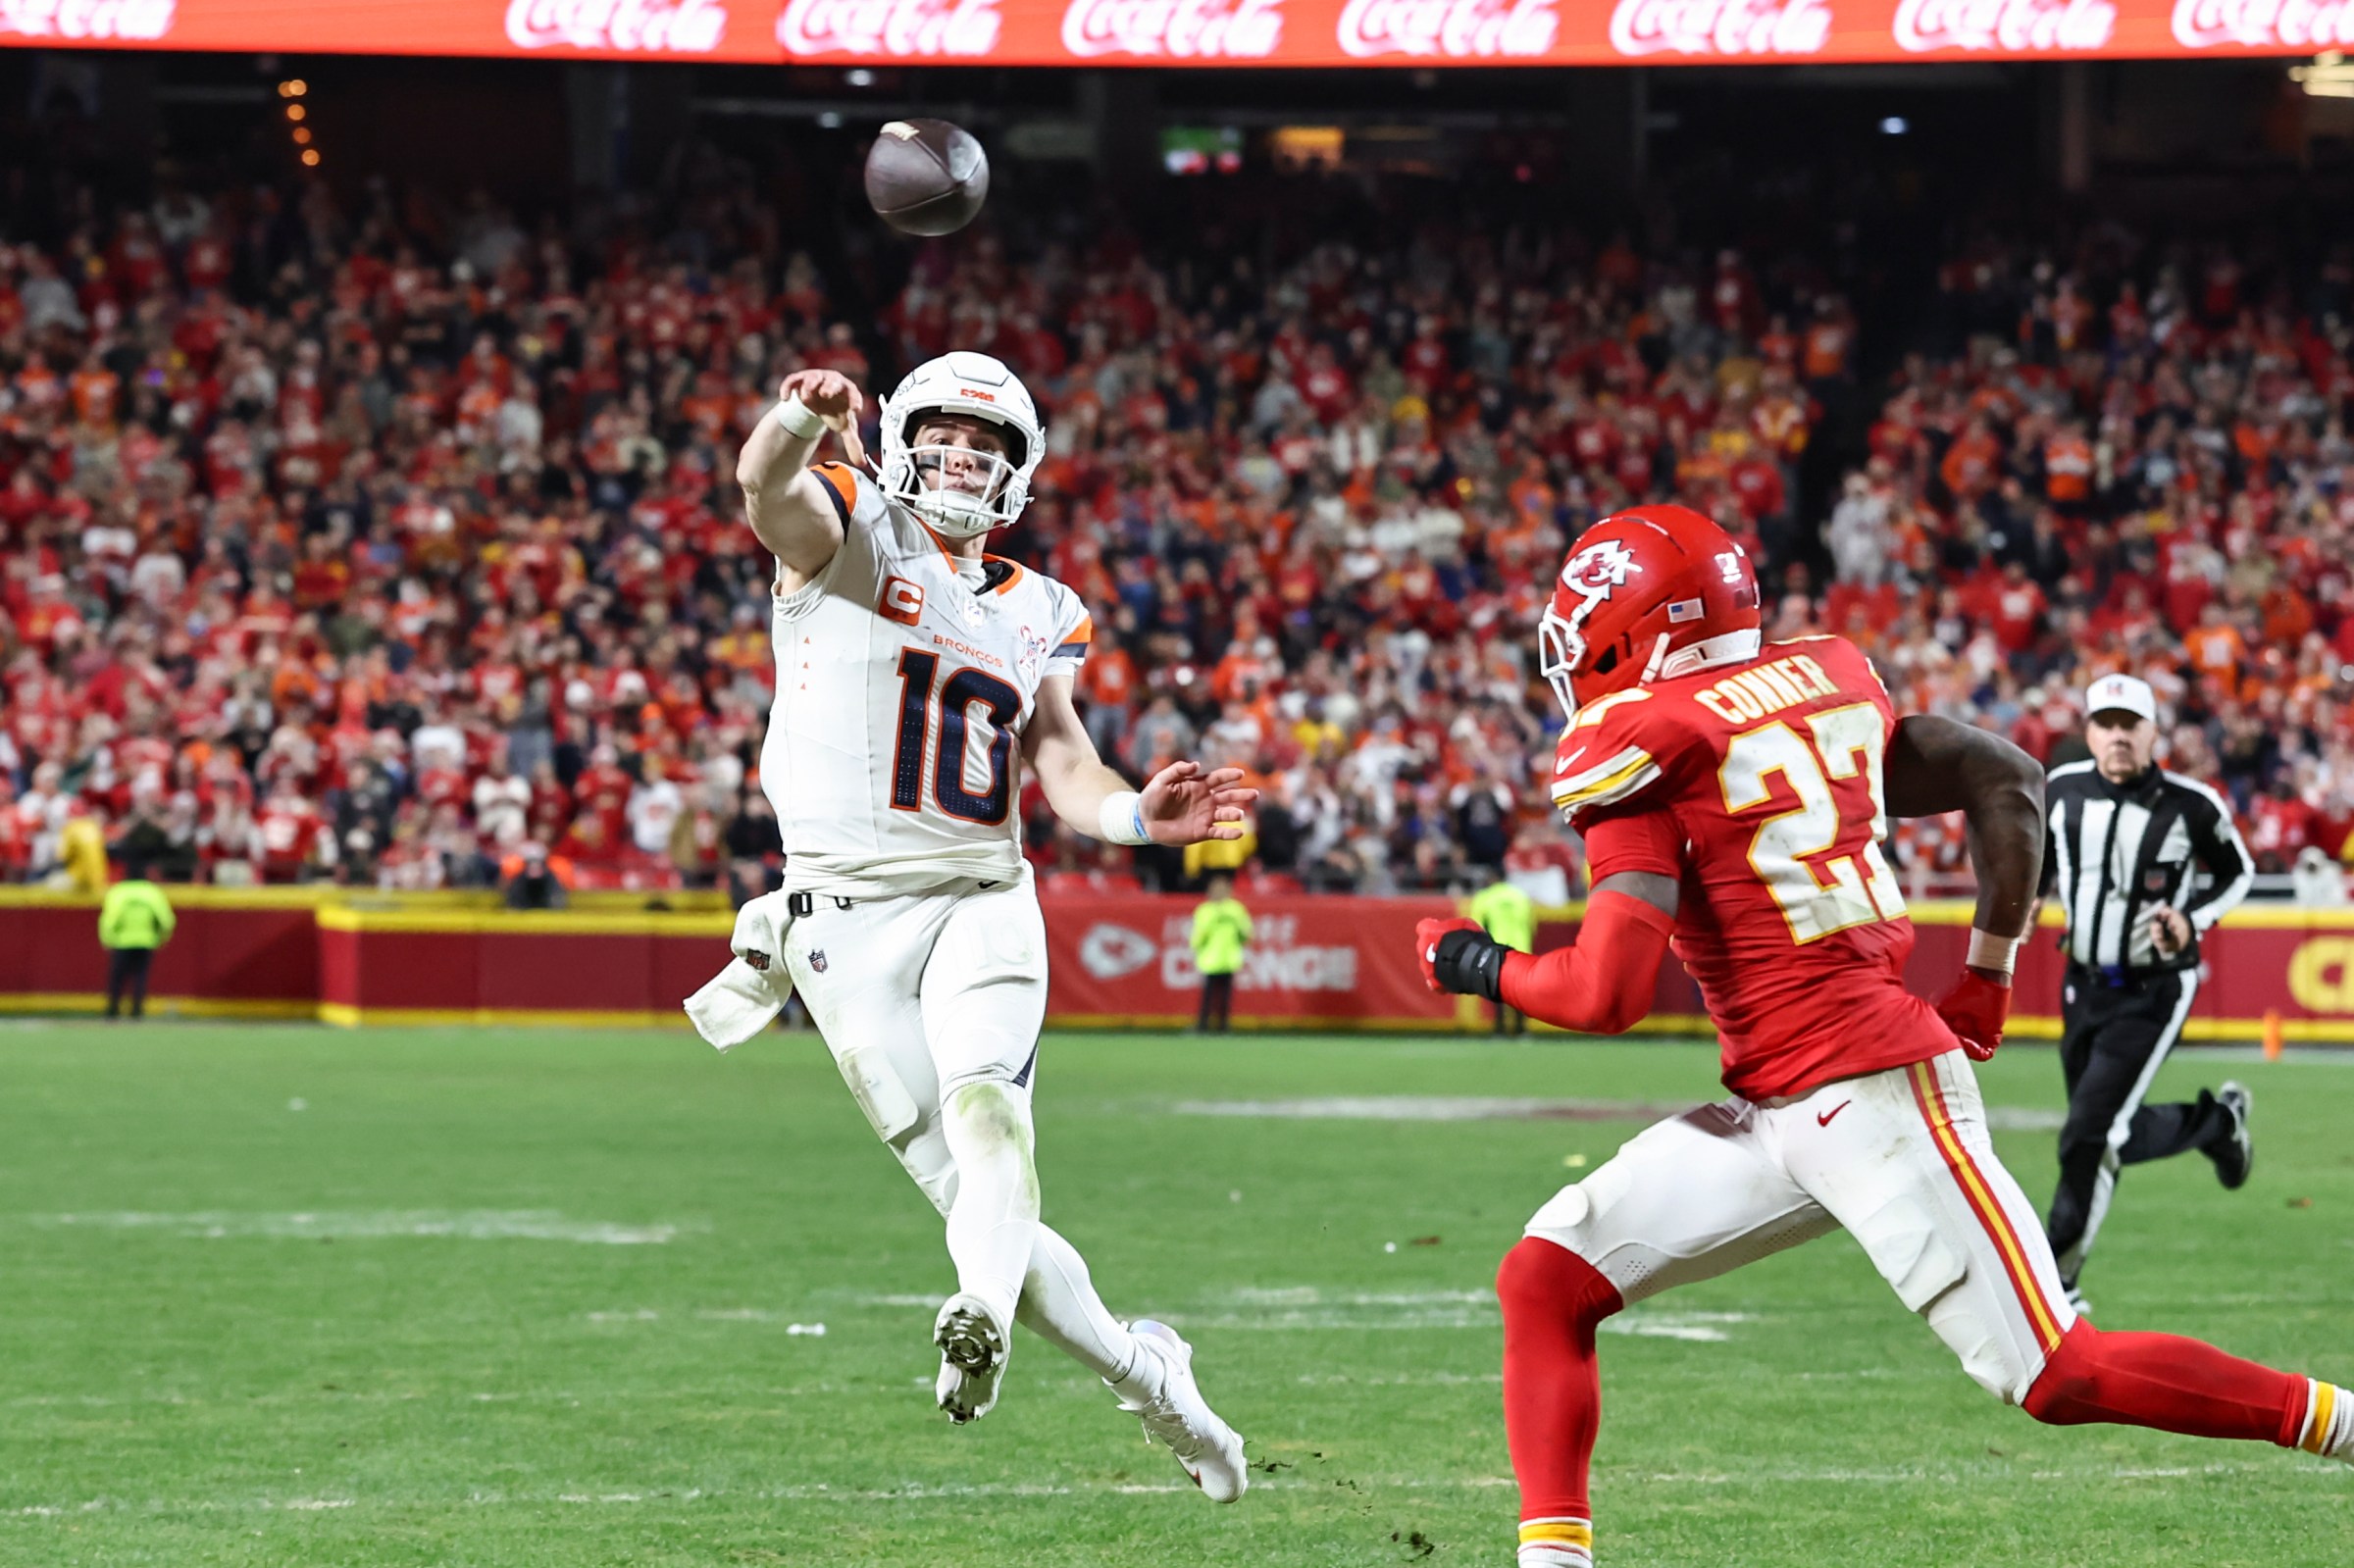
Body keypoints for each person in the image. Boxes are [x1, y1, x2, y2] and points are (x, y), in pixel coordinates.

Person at [1412, 505, 2353, 1568]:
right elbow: (2007, 774)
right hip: (1779, 1104)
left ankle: (2347, 1424)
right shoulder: (1824, 680)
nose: (1574, 656)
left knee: (2056, 1372)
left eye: (1585, 631)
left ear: (1639, 632)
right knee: (1547, 1279)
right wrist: (1989, 973)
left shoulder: (1646, 748)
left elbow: (1602, 995)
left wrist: (1469, 961)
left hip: (1874, 1094)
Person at [717, 351, 1253, 1496]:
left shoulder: (1043, 606)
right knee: (977, 1204)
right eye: (948, 435)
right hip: (840, 922)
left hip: (978, 897)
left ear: (1017, 473)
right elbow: (767, 493)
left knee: (991, 1124)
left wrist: (1135, 822)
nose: (966, 456)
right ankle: (1150, 1375)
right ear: (903, 440)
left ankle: (979, 1321)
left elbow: (1057, 753)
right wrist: (790, 419)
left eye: (991, 444)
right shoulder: (852, 528)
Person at [2039, 672, 2256, 1314]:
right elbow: (2042, 861)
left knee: (2086, 1134)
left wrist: (2193, 917)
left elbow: (2237, 871)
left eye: (2130, 724)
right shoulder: (2062, 791)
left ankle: (2059, 1281)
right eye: (2105, 724)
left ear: (2153, 732)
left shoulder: (2191, 804)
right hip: (2080, 983)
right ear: (2088, 732)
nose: (2117, 736)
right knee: (2107, 1134)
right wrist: (2028, 900)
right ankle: (2218, 1122)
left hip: (2154, 989)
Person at [98, 857, 175, 1019]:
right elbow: (166, 921)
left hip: (121, 941)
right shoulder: (152, 892)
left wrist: (107, 939)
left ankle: (113, 1010)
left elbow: (109, 919)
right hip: (146, 941)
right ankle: (137, 1010)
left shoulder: (118, 891)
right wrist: (161, 938)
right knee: (140, 976)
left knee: (117, 977)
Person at [1467, 875, 1536, 1035]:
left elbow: (1476, 926)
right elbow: (1531, 924)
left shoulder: (1484, 897)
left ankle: (1500, 1029)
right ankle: (1521, 1029)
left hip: (1497, 951)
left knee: (1497, 990)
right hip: (1521, 949)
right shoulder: (1520, 896)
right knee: (1520, 992)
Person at [1190, 871, 1253, 1034]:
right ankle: (1204, 1024)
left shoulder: (1236, 909)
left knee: (1225, 996)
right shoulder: (1205, 910)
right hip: (1210, 958)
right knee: (1208, 996)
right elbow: (1199, 933)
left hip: (1228, 958)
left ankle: (1222, 1025)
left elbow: (1246, 932)